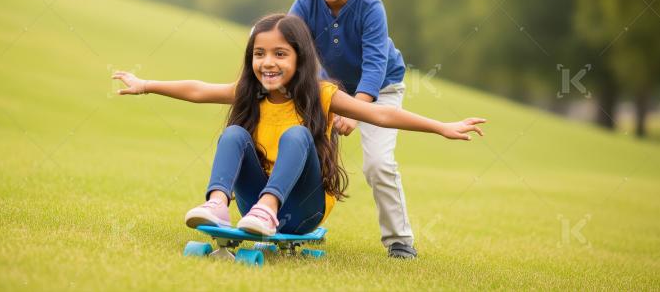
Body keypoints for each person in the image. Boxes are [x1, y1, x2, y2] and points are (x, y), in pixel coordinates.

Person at [113, 14, 485, 238]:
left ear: (300, 58)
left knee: (297, 134)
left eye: (279, 54)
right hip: (252, 202)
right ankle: (217, 205)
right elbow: (198, 89)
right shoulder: (250, 93)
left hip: (304, 210)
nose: (267, 63)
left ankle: (269, 209)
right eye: (259, 54)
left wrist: (441, 126)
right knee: (234, 134)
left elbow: (381, 115)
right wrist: (146, 85)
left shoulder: (321, 94)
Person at [289, 0, 420, 258]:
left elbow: (376, 63)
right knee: (303, 153)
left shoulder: (371, 8)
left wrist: (358, 110)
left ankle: (399, 241)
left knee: (377, 164)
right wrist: (323, 97)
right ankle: (293, 226)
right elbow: (294, 52)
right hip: (329, 88)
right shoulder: (303, 6)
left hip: (381, 89)